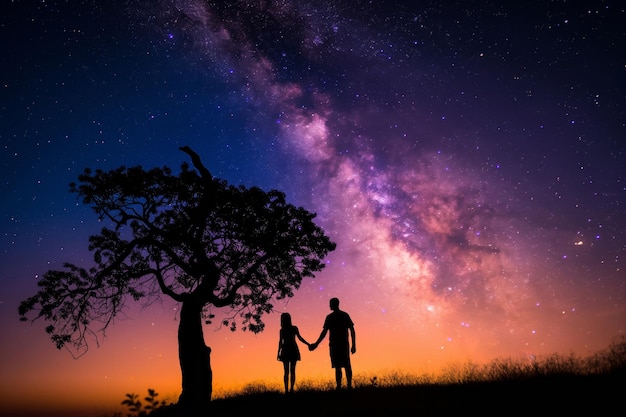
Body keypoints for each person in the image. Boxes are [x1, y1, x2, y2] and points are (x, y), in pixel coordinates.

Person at [309, 297, 356, 390]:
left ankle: (348, 386)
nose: (329, 305)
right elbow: (324, 332)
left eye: (330, 304)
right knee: (339, 366)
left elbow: (352, 329)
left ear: (335, 304)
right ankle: (340, 386)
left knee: (344, 365)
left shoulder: (341, 316)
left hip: (341, 344)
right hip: (336, 345)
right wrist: (316, 343)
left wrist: (354, 344)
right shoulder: (333, 317)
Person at [277, 312, 310, 393]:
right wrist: (308, 344)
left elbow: (280, 342)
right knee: (292, 371)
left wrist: (278, 352)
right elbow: (300, 338)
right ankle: (291, 389)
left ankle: (287, 390)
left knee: (286, 372)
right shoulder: (294, 328)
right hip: (292, 349)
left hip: (285, 350)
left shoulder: (282, 330)